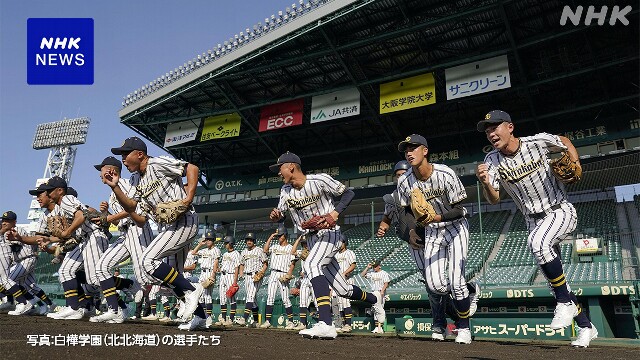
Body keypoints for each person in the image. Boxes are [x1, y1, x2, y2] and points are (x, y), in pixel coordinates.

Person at [475, 110, 596, 348]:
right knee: (557, 284)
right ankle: (586, 327)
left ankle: (564, 303)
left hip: (559, 210)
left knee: (538, 244)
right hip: (532, 220)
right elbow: (494, 199)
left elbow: (565, 141)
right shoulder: (491, 162)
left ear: (510, 127)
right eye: (487, 130)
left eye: (494, 127)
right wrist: (486, 184)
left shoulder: (537, 142)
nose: (490, 133)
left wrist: (575, 160)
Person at [268, 151, 385, 339]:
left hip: (330, 234)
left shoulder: (319, 180)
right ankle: (374, 298)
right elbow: (280, 213)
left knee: (311, 265)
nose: (278, 173)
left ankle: (326, 323)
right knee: (343, 290)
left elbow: (348, 193)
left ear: (291, 166)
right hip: (312, 239)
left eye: (280, 168)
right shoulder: (285, 191)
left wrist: (334, 214)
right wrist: (277, 217)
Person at [103, 137, 205, 330]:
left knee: (148, 261)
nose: (123, 159)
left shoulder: (157, 163)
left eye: (126, 154)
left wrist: (188, 198)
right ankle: (200, 317)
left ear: (140, 154)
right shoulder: (134, 179)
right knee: (172, 277)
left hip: (185, 220)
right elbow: (136, 213)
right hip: (168, 227)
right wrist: (115, 187)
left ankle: (192, 290)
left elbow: (192, 168)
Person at [378, 160, 480, 340]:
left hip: (433, 235)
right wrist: (386, 228)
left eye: (405, 173)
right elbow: (391, 217)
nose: (402, 177)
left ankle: (447, 323)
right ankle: (441, 322)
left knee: (451, 284)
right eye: (399, 175)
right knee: (433, 287)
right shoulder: (396, 197)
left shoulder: (424, 188)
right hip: (416, 243)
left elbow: (448, 211)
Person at [396, 134, 474, 344]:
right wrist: (412, 231)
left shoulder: (445, 173)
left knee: (456, 281)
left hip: (456, 227)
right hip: (432, 231)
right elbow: (405, 210)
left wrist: (437, 217)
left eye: (414, 148)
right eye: (406, 150)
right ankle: (471, 291)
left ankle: (464, 328)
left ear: (425, 151)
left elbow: (460, 209)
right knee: (436, 285)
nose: (409, 152)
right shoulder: (404, 181)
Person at [33, 176, 111, 321]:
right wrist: (49, 239)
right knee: (66, 271)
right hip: (84, 239)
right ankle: (74, 308)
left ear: (60, 191)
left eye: (50, 190)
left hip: (93, 236)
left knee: (95, 279)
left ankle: (126, 288)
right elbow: (70, 232)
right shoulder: (61, 206)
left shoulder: (67, 199)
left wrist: (67, 232)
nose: (48, 194)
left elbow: (80, 216)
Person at [91, 156, 154, 324]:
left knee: (149, 275)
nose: (100, 174)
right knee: (102, 268)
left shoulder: (127, 184)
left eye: (102, 170)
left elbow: (135, 208)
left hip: (138, 231)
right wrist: (105, 214)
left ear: (112, 171)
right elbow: (118, 220)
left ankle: (190, 292)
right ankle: (117, 310)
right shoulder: (112, 194)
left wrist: (109, 217)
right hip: (125, 233)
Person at [0, 211, 41, 315]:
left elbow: (17, 246)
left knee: (7, 280)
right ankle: (28, 303)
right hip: (17, 259)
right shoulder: (4, 231)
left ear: (14, 222)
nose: (4, 222)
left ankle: (24, 302)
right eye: (3, 220)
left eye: (7, 221)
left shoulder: (16, 230)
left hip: (25, 258)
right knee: (24, 284)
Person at [238, 232, 267, 327]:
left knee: (250, 296)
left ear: (254, 241)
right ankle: (256, 322)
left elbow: (265, 263)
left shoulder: (259, 250)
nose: (249, 242)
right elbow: (242, 264)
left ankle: (244, 319)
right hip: (247, 276)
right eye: (247, 240)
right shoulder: (244, 252)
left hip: (256, 276)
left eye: (251, 240)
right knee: (253, 299)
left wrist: (261, 272)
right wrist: (241, 273)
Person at [192, 230, 220, 327]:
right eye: (207, 239)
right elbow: (193, 253)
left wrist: (213, 275)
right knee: (200, 297)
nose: (208, 241)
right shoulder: (203, 250)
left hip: (209, 272)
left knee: (207, 296)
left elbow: (216, 263)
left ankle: (208, 318)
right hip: (202, 273)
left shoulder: (216, 250)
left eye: (210, 239)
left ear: (213, 240)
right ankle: (203, 318)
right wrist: (200, 244)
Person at [214, 235, 241, 327]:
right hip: (223, 276)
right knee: (222, 298)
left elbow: (237, 268)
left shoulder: (236, 253)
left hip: (231, 276)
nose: (225, 245)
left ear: (231, 243)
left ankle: (231, 319)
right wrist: (219, 269)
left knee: (231, 298)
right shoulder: (225, 254)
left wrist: (235, 282)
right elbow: (224, 266)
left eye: (226, 243)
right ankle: (224, 319)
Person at [333, 235, 356, 333]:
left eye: (341, 242)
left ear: (345, 242)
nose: (339, 244)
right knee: (340, 303)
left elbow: (353, 265)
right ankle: (343, 324)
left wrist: (344, 273)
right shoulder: (336, 255)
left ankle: (348, 324)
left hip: (347, 280)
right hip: (338, 282)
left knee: (346, 302)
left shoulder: (349, 253)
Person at [361, 261, 390, 334]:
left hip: (380, 292)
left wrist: (382, 291)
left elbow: (386, 283)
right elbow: (362, 274)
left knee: (380, 310)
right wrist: (367, 267)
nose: (374, 268)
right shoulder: (372, 273)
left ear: (379, 266)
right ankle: (377, 327)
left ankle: (380, 328)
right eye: (373, 266)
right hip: (374, 292)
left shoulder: (384, 273)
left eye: (375, 266)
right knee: (375, 310)